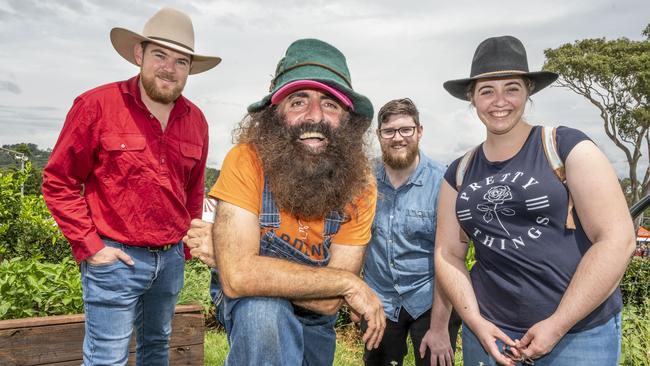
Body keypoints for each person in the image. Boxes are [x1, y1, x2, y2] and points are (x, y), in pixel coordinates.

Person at [434, 35, 636, 366]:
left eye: (511, 88)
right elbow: (447, 253)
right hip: (491, 338)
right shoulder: (459, 172)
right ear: (472, 98)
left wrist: (557, 326)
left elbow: (617, 239)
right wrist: (476, 323)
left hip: (578, 338)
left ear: (528, 91)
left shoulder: (566, 147)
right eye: (487, 91)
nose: (500, 101)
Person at [184, 38, 386, 365]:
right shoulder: (246, 161)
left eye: (330, 103)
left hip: (316, 320)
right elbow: (237, 281)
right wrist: (346, 281)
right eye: (298, 101)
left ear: (348, 119)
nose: (314, 116)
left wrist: (239, 261)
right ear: (275, 114)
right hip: (248, 308)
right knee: (264, 313)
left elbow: (328, 303)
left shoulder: (359, 185)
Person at [42, 7, 220, 365]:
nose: (169, 68)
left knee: (157, 349)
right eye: (160, 55)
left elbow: (193, 193)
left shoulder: (196, 120)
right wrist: (92, 247)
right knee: (107, 357)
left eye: (181, 61)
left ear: (189, 69)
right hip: (114, 259)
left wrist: (182, 251)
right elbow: (58, 181)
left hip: (169, 262)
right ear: (139, 54)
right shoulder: (96, 105)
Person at [361, 98, 461, 366]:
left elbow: (450, 256)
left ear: (419, 131)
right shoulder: (363, 179)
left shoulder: (444, 182)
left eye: (406, 129)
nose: (398, 138)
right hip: (379, 300)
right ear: (379, 135)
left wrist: (440, 328)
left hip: (430, 299)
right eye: (389, 131)